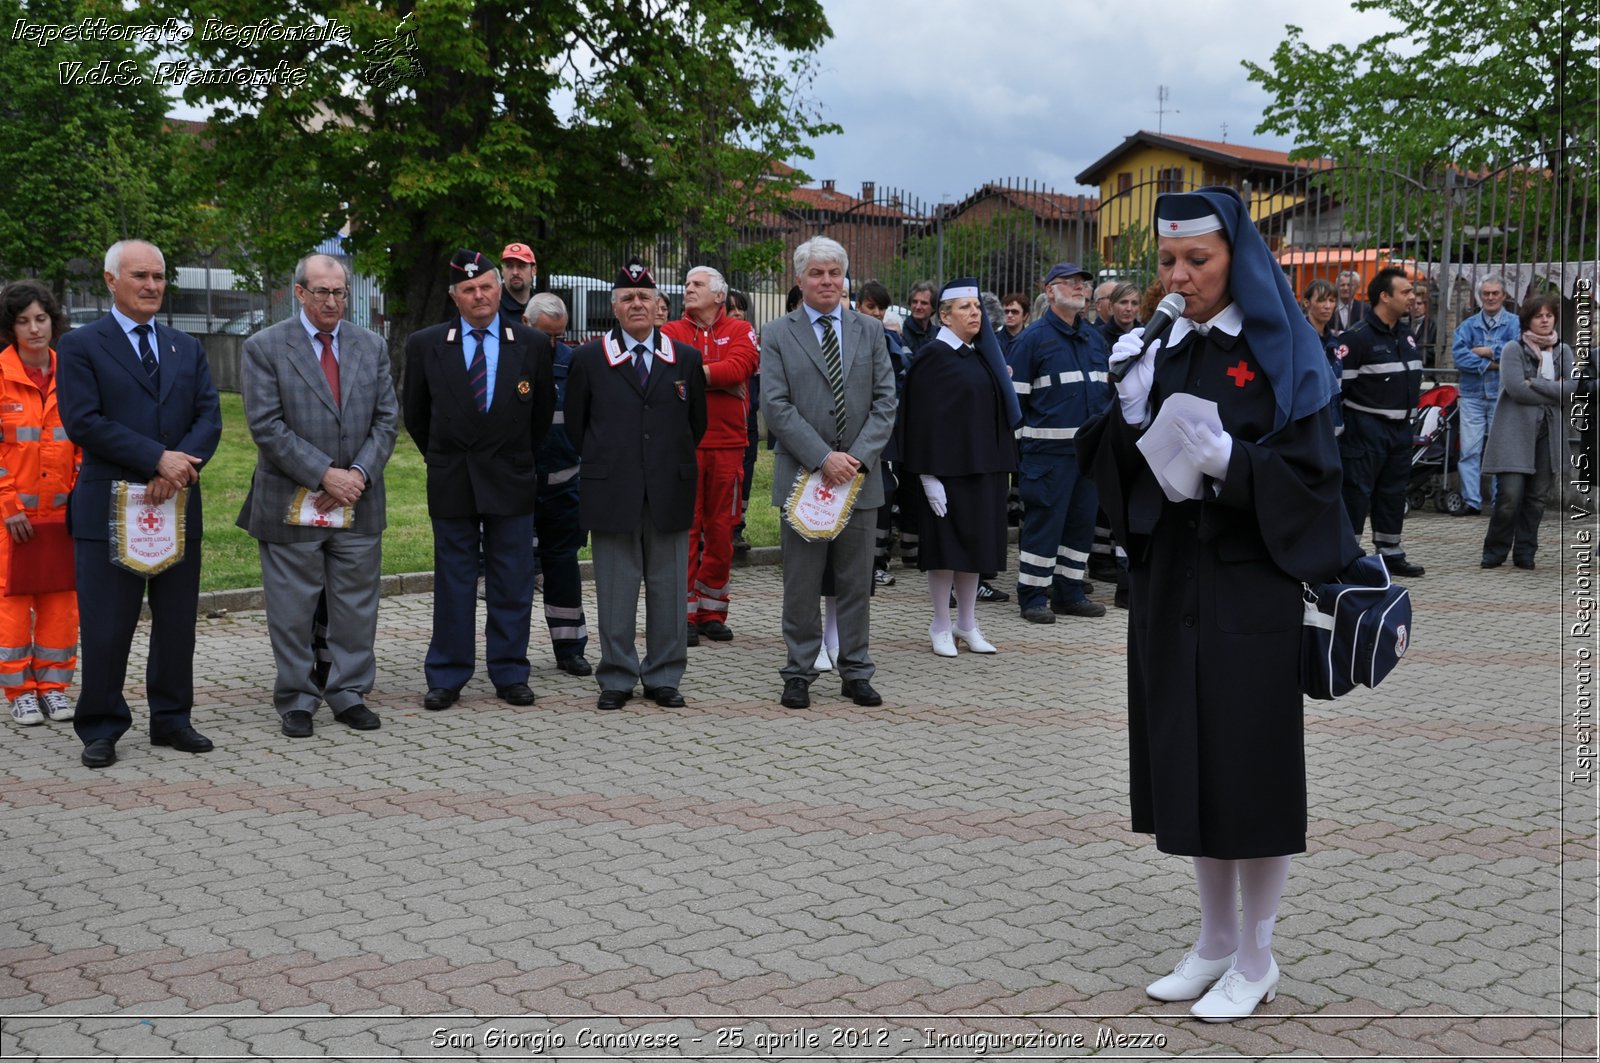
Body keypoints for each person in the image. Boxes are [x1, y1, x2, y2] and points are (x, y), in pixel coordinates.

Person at [1077, 187, 1352, 1022]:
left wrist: (1237, 463)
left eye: (1198, 259)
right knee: (1189, 763)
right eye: (1167, 261)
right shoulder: (1160, 343)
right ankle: (1212, 941)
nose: (1179, 275)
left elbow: (1315, 484)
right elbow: (1118, 478)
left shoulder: (1281, 352)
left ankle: (1259, 954)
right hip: (1172, 583)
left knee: (1250, 769)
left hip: (1246, 587)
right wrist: (1125, 415)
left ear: (1237, 256)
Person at [57, 240, 223, 769]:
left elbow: (208, 419)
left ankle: (172, 718)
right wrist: (157, 459)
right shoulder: (81, 345)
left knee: (176, 623)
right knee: (107, 624)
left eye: (158, 277)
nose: (152, 286)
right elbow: (84, 421)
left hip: (173, 504)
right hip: (107, 505)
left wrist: (178, 466)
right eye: (140, 277)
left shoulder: (185, 347)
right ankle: (101, 725)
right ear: (111, 281)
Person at [238, 253, 398, 739]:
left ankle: (349, 693)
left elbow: (387, 419)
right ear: (299, 293)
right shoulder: (264, 347)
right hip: (291, 502)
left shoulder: (371, 346)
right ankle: (297, 699)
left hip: (359, 499)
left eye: (340, 292)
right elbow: (266, 426)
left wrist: (358, 474)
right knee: (292, 609)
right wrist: (325, 475)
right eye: (322, 292)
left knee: (355, 607)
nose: (332, 301)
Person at [403, 249, 556, 712]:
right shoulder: (426, 344)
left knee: (512, 579)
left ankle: (510, 671)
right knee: (454, 580)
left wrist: (515, 457)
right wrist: (447, 456)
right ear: (455, 297)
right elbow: (417, 416)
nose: (480, 295)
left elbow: (541, 415)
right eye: (468, 289)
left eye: (486, 286)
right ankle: (448, 674)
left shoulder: (528, 343)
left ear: (497, 288)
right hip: (454, 476)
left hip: (510, 474)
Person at [761, 236, 896, 709]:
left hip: (860, 480)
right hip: (805, 478)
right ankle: (798, 671)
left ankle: (856, 670)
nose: (826, 281)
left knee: (857, 582)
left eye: (834, 273)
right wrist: (824, 458)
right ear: (799, 280)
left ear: (845, 279)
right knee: (800, 585)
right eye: (817, 273)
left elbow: (886, 402)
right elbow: (775, 408)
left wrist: (854, 458)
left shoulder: (871, 331)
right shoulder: (778, 333)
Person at [566, 260, 706, 710]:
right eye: (627, 298)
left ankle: (665, 675)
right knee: (615, 588)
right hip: (612, 488)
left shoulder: (685, 358)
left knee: (668, 588)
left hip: (669, 487)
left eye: (645, 297)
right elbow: (575, 426)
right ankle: (617, 676)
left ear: (659, 306)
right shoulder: (589, 358)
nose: (637, 304)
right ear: (615, 307)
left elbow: (696, 424)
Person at [899, 278, 1018, 656]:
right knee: (947, 550)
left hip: (984, 466)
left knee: (976, 548)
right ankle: (939, 624)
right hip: (947, 470)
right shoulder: (933, 355)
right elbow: (920, 419)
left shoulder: (981, 354)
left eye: (977, 307)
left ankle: (967, 623)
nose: (974, 314)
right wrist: (927, 475)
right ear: (944, 316)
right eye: (965, 308)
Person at [1007, 262, 1112, 623]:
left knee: (1080, 526)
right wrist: (1023, 455)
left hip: (1087, 458)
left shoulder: (1094, 339)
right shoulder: (1031, 340)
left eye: (1083, 282)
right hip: (1047, 458)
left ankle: (1070, 592)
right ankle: (1033, 596)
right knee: (1044, 526)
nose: (1079, 288)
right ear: (1049, 291)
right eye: (1068, 283)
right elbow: (1014, 405)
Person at [662, 266, 760, 644]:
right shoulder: (671, 332)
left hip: (728, 446)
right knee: (685, 531)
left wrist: (693, 377)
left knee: (721, 531)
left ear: (720, 295)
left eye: (697, 284)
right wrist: (717, 379)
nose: (688, 289)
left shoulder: (740, 330)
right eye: (687, 284)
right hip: (684, 446)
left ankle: (712, 612)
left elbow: (741, 367)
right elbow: (666, 374)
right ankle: (682, 615)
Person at [0, 282, 79, 727]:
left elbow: (85, 438)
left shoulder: (71, 372)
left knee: (62, 603)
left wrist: (80, 496)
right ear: (10, 327)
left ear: (54, 320)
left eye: (41, 318)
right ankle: (19, 691)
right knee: (11, 603)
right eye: (23, 320)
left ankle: (53, 687)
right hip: (11, 517)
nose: (34, 329)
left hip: (63, 514)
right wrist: (10, 506)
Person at [1337, 268, 1426, 578]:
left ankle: (1390, 552)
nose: (1413, 296)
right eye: (1406, 292)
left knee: (1392, 492)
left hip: (1401, 430)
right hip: (1365, 428)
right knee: (1356, 494)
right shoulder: (1357, 338)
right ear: (1384, 297)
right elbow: (1338, 389)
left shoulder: (1406, 335)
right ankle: (1347, 556)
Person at [1481, 294, 1576, 570]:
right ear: (1528, 321)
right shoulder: (1514, 348)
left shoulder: (1564, 351)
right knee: (1510, 495)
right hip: (1514, 432)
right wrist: (1552, 389)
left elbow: (1571, 390)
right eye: (1539, 316)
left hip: (1550, 432)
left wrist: (1534, 382)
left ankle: (1525, 553)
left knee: (1536, 499)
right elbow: (1515, 389)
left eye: (1549, 315)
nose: (1545, 320)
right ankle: (1495, 551)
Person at [524, 292, 593, 676]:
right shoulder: (513, 357)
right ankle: (512, 652)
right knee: (515, 572)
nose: (553, 344)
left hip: (565, 486)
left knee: (563, 569)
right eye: (546, 335)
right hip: (519, 485)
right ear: (527, 326)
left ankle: (570, 648)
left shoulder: (573, 361)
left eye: (559, 335)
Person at [856, 280, 914, 589]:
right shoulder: (847, 337)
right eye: (870, 306)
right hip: (852, 432)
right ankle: (860, 564)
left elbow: (899, 385)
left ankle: (878, 562)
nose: (877, 313)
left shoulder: (891, 340)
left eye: (881, 308)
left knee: (883, 494)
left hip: (885, 431)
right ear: (858, 306)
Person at [1452, 274, 1520, 516]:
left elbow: (1517, 352)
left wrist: (1487, 350)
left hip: (1502, 395)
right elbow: (1459, 358)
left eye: (1495, 293)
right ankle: (1471, 501)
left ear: (1504, 296)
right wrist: (1493, 363)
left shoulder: (1515, 324)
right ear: (1480, 297)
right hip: (1472, 395)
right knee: (1469, 449)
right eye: (1486, 294)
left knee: (1500, 451)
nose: (1490, 298)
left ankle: (1498, 504)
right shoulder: (1466, 326)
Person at [726, 289, 759, 557]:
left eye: (740, 308)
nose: (737, 313)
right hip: (728, 421)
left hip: (748, 417)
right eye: (731, 308)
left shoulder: (751, 339)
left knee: (745, 477)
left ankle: (738, 528)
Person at [1096, 281, 1142, 348]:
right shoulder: (1098, 336)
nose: (1129, 308)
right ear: (1111, 306)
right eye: (1123, 302)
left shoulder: (1146, 333)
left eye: (1134, 303)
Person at [499, 241, 537, 322]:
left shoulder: (540, 307)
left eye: (521, 266)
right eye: (509, 266)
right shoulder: (492, 306)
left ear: (534, 270)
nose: (515, 272)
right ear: (502, 271)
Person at [1405, 279, 1440, 368]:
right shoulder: (1403, 325)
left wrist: (1412, 353)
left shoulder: (1433, 326)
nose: (1415, 307)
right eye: (1412, 304)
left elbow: (1436, 350)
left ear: (1425, 305)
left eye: (1419, 303)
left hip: (1426, 370)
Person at [901, 280, 938, 353]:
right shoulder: (901, 333)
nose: (918, 307)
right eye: (914, 302)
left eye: (924, 303)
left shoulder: (938, 335)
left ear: (933, 308)